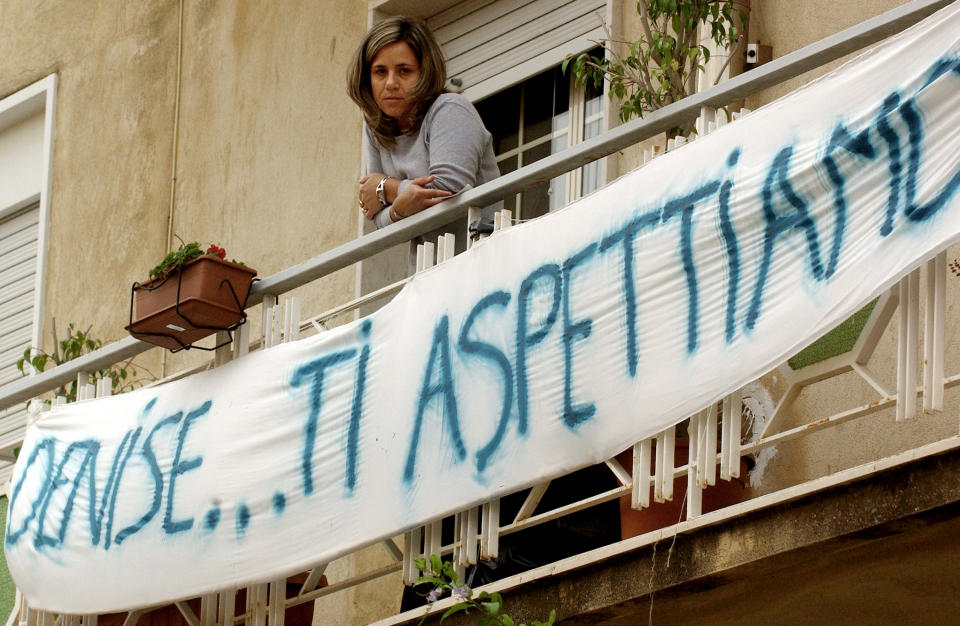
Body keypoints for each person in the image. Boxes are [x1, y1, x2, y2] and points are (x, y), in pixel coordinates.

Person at [346, 16, 500, 263]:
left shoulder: (449, 109)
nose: (391, 83)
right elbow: (378, 221)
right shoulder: (375, 127)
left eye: (404, 71)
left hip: (484, 260)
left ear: (424, 73)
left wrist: (387, 187)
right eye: (380, 72)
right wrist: (398, 209)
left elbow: (447, 190)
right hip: (430, 275)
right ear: (366, 79)